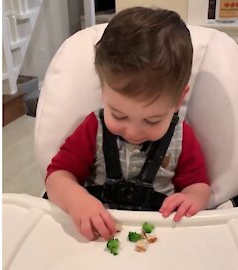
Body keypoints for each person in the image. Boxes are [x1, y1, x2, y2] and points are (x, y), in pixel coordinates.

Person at [45, 7, 211, 242]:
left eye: (152, 120)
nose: (133, 131)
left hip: (159, 237)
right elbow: (56, 177)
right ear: (103, 91)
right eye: (119, 115)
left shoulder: (182, 138)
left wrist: (193, 199)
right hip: (96, 237)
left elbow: (199, 186)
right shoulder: (94, 128)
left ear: (178, 100)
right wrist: (76, 201)